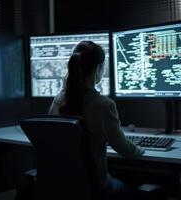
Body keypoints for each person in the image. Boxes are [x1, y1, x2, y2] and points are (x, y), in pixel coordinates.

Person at [48, 41, 144, 196]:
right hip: (95, 188)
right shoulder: (104, 105)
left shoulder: (57, 101)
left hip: (62, 188)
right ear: (98, 68)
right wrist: (139, 149)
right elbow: (125, 150)